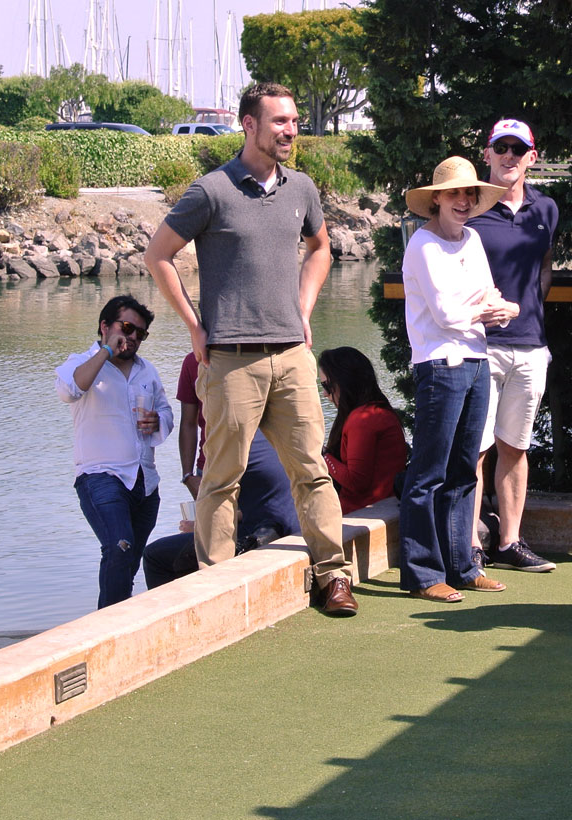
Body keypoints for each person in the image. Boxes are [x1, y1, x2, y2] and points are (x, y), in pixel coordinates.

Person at [144, 81, 358, 617]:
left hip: (291, 356)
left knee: (312, 470)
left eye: (293, 121)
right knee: (221, 478)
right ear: (249, 124)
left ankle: (334, 578)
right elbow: (158, 255)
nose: (290, 130)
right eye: (279, 121)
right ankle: (215, 594)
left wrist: (303, 312)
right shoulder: (210, 191)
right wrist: (195, 327)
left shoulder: (302, 188)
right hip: (230, 359)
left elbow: (321, 249)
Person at [398, 156, 518, 603]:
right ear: (436, 200)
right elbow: (448, 316)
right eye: (455, 194)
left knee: (464, 469)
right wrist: (485, 307)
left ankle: (463, 567)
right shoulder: (423, 246)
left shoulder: (472, 240)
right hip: (439, 365)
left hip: (476, 362)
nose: (464, 201)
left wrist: (488, 306)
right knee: (428, 473)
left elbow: (491, 299)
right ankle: (423, 573)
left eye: (469, 194)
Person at [467, 118, 560, 573]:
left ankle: (509, 542)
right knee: (476, 449)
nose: (509, 156)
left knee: (515, 447)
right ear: (487, 154)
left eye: (517, 149)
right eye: (500, 148)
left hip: (529, 346)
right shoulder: (468, 207)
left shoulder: (547, 210)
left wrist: (525, 307)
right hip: (478, 346)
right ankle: (469, 546)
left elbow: (543, 269)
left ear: (531, 158)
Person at [55, 294, 174, 608]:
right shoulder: (80, 363)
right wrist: (106, 351)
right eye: (126, 327)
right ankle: (107, 631)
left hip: (145, 482)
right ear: (104, 326)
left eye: (140, 333)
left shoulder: (146, 371)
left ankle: (115, 625)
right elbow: (70, 390)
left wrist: (157, 419)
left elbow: (167, 413)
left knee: (128, 563)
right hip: (101, 477)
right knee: (118, 548)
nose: (132, 337)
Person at [145, 350, 302, 588]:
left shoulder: (246, 447)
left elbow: (249, 513)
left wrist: (202, 527)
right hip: (217, 478)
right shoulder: (192, 363)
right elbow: (189, 423)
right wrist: (188, 475)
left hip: (252, 527)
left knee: (163, 555)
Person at [143, 433, 300, 588]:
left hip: (263, 536)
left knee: (154, 556)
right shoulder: (282, 434)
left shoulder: (233, 443)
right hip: (294, 528)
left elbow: (218, 505)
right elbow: (262, 504)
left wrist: (199, 527)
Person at [317, 346, 408, 514]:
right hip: (385, 503)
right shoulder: (380, 410)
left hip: (364, 510)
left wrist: (323, 456)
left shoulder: (363, 419)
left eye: (326, 386)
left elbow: (356, 482)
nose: (324, 394)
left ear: (344, 381)